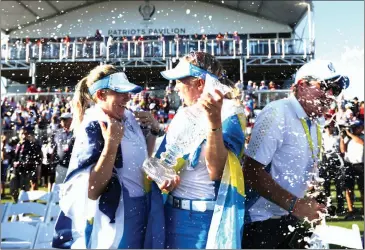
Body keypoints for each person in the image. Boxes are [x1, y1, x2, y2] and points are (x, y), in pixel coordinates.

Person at [53, 65, 165, 249]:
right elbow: (93, 188)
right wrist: (111, 145)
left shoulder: (127, 116)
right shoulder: (94, 125)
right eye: (120, 92)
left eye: (127, 92)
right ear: (100, 96)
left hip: (142, 206)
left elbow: (143, 157)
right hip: (116, 218)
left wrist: (153, 130)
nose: (128, 97)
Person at [242, 59, 350, 249]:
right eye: (326, 87)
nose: (331, 95)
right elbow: (250, 171)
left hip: (287, 217)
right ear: (301, 86)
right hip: (260, 222)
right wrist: (296, 205)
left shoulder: (316, 121)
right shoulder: (277, 113)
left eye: (336, 89)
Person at [157, 51, 246, 249]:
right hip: (171, 212)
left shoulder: (230, 114)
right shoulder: (183, 114)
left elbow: (217, 172)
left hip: (204, 219)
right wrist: (163, 178)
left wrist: (213, 123)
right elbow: (162, 163)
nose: (176, 88)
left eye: (180, 81)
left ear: (199, 83)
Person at [340, 119, 364, 219]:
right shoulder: (348, 138)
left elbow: (361, 142)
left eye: (357, 127)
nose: (355, 129)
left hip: (360, 165)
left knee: (362, 190)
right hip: (349, 165)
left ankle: (363, 211)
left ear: (362, 128)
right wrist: (342, 138)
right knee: (348, 190)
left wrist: (349, 134)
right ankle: (351, 211)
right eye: (354, 127)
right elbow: (342, 150)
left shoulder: (362, 136)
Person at [319, 123, 345, 214]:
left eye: (329, 126)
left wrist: (341, 138)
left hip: (336, 162)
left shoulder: (337, 137)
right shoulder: (321, 137)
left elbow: (342, 150)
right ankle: (328, 208)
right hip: (326, 162)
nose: (328, 128)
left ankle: (340, 208)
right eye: (326, 127)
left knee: (339, 187)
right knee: (326, 187)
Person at [54, 112, 74, 184]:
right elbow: (55, 147)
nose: (63, 122)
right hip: (61, 166)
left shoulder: (76, 132)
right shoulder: (58, 133)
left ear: (71, 120)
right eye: (62, 120)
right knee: (59, 189)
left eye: (65, 120)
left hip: (73, 167)